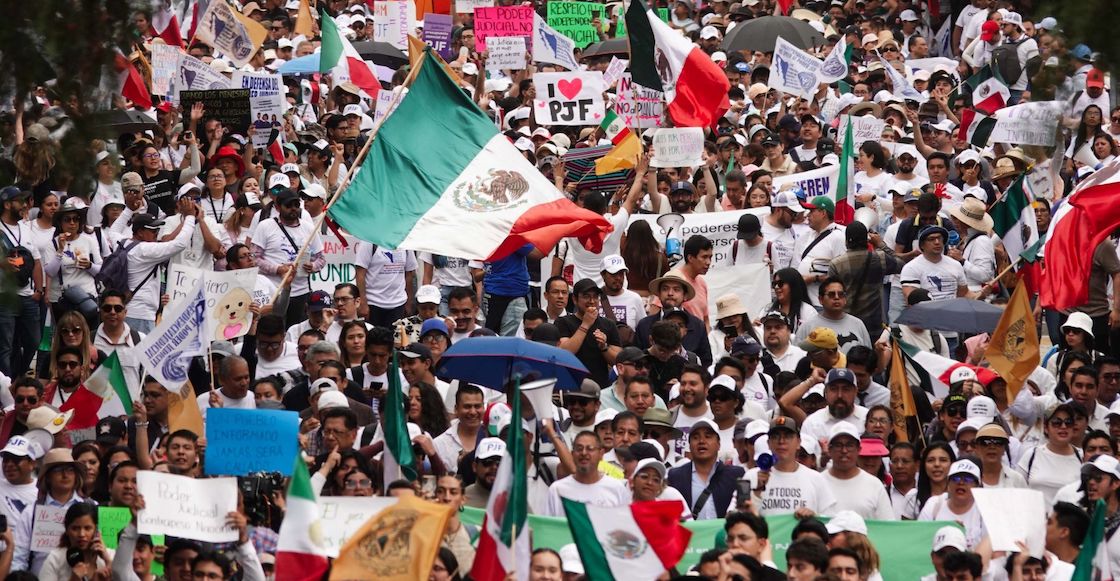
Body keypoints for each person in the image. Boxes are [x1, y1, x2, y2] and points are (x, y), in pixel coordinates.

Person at [252, 189, 325, 325]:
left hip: (300, 292)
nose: (293, 209)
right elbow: (254, 259)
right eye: (289, 205)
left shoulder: (309, 228)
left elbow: (321, 258)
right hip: (273, 292)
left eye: (296, 205)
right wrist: (277, 269)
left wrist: (313, 266)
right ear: (278, 207)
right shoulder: (265, 226)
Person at [667, 419, 744, 519]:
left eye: (708, 437)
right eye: (695, 437)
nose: (702, 441)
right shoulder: (676, 476)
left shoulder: (736, 474)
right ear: (689, 446)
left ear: (719, 444)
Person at [556, 279, 622, 389]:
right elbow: (564, 352)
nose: (592, 301)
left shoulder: (609, 324)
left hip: (600, 387)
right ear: (575, 299)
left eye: (595, 297)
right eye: (586, 296)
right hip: (571, 385)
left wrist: (604, 347)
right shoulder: (563, 322)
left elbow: (618, 361)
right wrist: (585, 324)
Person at [823, 422, 896, 520]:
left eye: (849, 445)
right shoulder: (817, 482)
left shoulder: (875, 485)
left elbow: (888, 527)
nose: (844, 450)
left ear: (859, 449)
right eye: (838, 445)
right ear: (829, 449)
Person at [544, 431, 627, 517]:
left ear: (601, 454)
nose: (584, 453)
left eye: (590, 449)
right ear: (572, 454)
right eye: (579, 449)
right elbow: (548, 526)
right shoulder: (557, 489)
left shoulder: (616, 488)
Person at [919, 459, 988, 549]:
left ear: (977, 485)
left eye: (968, 479)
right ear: (948, 483)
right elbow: (920, 539)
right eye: (956, 478)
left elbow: (991, 548)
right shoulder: (933, 504)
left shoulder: (985, 510)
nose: (961, 483)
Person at [796, 278, 872, 354]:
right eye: (831, 294)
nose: (836, 297)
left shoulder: (858, 324)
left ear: (845, 299)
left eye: (841, 294)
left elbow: (869, 357)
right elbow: (796, 356)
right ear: (820, 299)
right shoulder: (808, 326)